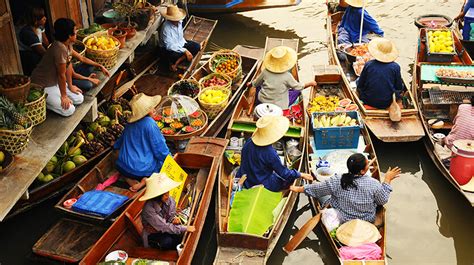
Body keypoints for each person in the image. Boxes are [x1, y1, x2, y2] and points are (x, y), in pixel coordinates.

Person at [290, 153, 401, 224]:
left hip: (342, 220)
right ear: (363, 171)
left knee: (321, 191)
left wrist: (298, 189)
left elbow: (317, 189)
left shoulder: (337, 180)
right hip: (366, 220)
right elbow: (382, 200)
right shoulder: (374, 184)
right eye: (367, 164)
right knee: (325, 189)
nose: (368, 165)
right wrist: (387, 180)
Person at [237, 115, 313, 192]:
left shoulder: (249, 141)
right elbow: (284, 173)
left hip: (246, 177)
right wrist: (301, 174)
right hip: (260, 183)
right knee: (287, 181)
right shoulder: (269, 153)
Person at [113, 93, 170, 192]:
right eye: (152, 108)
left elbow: (118, 144)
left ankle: (128, 178)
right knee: (161, 162)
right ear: (146, 111)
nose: (154, 110)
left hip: (122, 166)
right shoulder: (150, 124)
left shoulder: (129, 124)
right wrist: (171, 161)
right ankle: (145, 181)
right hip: (141, 170)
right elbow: (160, 150)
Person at [31, 18, 83, 116]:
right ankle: (46, 103)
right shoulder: (59, 48)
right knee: (69, 110)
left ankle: (57, 98)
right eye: (75, 32)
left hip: (55, 82)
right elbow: (61, 75)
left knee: (79, 98)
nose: (76, 34)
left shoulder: (68, 45)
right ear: (69, 35)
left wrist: (70, 86)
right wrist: (63, 96)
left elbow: (68, 67)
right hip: (43, 85)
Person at [140, 173, 195, 250]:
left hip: (166, 227)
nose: (168, 196)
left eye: (168, 193)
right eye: (165, 194)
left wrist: (173, 219)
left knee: (180, 236)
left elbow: (171, 216)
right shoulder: (148, 209)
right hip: (153, 233)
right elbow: (163, 226)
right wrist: (185, 228)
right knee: (167, 242)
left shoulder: (170, 200)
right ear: (157, 196)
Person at [251, 46, 316, 110]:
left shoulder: (265, 72)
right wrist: (310, 83)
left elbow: (255, 84)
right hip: (280, 106)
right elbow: (298, 87)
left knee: (258, 86)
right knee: (297, 91)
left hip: (263, 101)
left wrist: (250, 83)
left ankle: (256, 103)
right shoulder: (287, 76)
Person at [356, 38, 403, 109]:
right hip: (388, 101)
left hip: (368, 100)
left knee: (357, 81)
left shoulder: (369, 64)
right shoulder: (396, 67)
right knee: (401, 86)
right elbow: (399, 87)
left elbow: (360, 84)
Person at [159, 5, 201, 72]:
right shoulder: (166, 27)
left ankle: (179, 60)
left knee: (197, 46)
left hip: (180, 43)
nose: (178, 20)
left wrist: (185, 49)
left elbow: (181, 39)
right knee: (174, 56)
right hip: (168, 49)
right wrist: (185, 51)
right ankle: (178, 60)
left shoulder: (180, 22)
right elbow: (169, 46)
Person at [17, 7, 49, 76]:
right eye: (42, 17)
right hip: (27, 55)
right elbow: (42, 52)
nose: (45, 18)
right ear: (35, 20)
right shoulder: (27, 32)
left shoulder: (39, 26)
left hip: (37, 51)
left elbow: (46, 42)